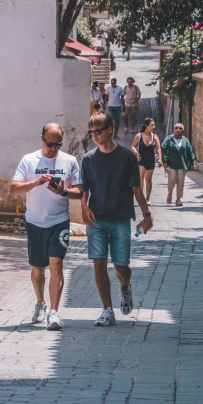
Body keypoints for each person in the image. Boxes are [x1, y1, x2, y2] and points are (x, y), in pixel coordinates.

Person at [81, 111, 153, 327]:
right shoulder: (88, 159)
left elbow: (136, 189)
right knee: (99, 264)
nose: (94, 135)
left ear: (109, 130)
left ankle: (125, 288)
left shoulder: (126, 157)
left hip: (121, 218)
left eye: (98, 131)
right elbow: (84, 188)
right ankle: (107, 310)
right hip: (97, 219)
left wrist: (146, 215)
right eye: (91, 131)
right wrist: (83, 208)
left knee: (121, 267)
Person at [11, 123, 83, 331]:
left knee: (56, 264)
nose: (53, 148)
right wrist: (34, 183)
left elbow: (79, 192)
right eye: (50, 144)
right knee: (37, 267)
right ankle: (40, 303)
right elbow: (13, 189)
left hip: (59, 220)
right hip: (35, 221)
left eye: (58, 144)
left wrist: (63, 192)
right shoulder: (29, 160)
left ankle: (54, 312)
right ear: (42, 140)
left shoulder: (69, 161)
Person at [161, 123, 197, 207]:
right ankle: (170, 193)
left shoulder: (185, 140)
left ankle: (178, 199)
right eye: (176, 128)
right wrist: (165, 160)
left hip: (182, 164)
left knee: (181, 182)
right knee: (172, 180)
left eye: (180, 128)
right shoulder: (169, 138)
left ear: (182, 130)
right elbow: (163, 149)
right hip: (172, 164)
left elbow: (190, 152)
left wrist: (193, 163)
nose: (178, 129)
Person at [131, 117, 163, 203]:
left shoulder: (155, 137)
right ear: (146, 125)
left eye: (154, 125)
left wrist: (160, 159)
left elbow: (158, 148)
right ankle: (141, 197)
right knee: (141, 177)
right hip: (141, 159)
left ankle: (148, 198)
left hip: (150, 159)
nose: (153, 127)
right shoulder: (139, 135)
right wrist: (136, 153)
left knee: (148, 179)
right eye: (151, 125)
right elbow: (133, 146)